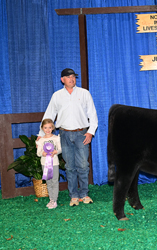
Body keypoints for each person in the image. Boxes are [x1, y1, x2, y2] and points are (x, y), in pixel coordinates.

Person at [38, 68, 98, 206]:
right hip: (64, 134)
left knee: (83, 165)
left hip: (81, 133)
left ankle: (84, 193)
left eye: (73, 77)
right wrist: (41, 136)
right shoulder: (57, 96)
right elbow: (49, 115)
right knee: (70, 166)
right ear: (62, 79)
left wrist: (90, 132)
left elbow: (92, 115)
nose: (72, 79)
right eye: (68, 77)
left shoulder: (84, 93)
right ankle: (73, 196)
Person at [36, 118, 62, 209]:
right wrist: (42, 153)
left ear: (53, 128)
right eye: (45, 127)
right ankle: (51, 199)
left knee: (54, 181)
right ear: (42, 128)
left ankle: (54, 200)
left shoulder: (56, 138)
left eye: (50, 127)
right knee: (48, 181)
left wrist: (56, 152)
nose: (47, 130)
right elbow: (38, 153)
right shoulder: (40, 140)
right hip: (44, 163)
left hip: (54, 163)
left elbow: (60, 149)